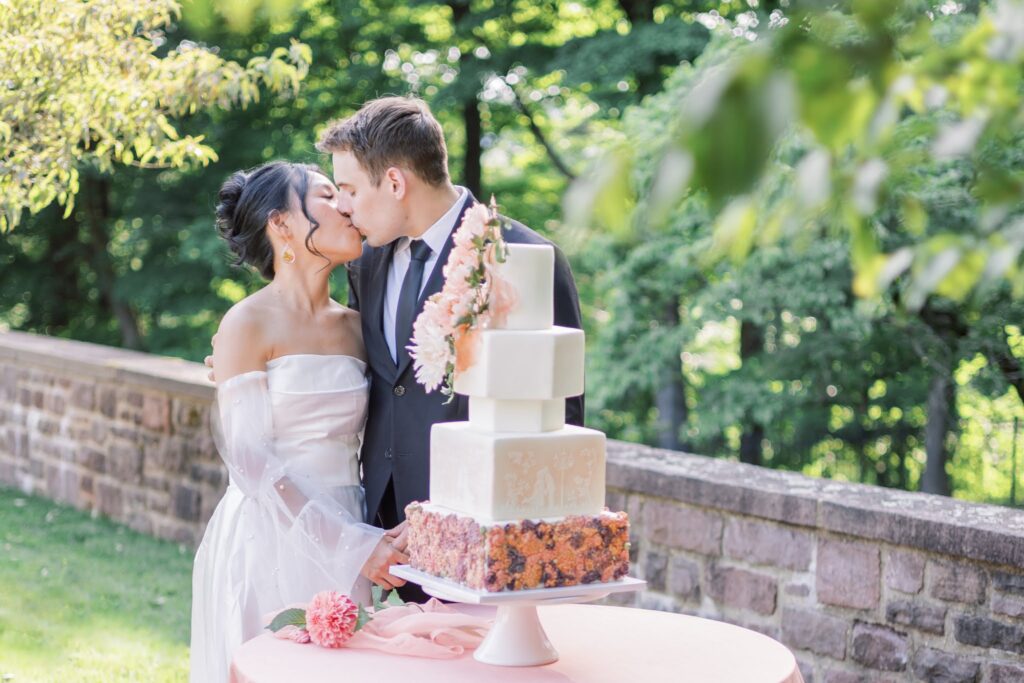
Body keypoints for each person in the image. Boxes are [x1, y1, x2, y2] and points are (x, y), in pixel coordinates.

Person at [317, 96, 585, 594]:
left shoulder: (523, 258)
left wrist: (449, 519)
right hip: (384, 537)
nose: (343, 207)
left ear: (395, 182)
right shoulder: (365, 262)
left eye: (350, 189)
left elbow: (557, 422)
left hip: (480, 536)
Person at [190, 161, 408, 683]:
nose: (346, 208)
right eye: (328, 196)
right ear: (281, 224)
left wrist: (370, 539)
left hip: (351, 524)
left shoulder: (360, 325)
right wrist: (351, 543)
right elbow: (250, 459)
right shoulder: (246, 322)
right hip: (271, 532)